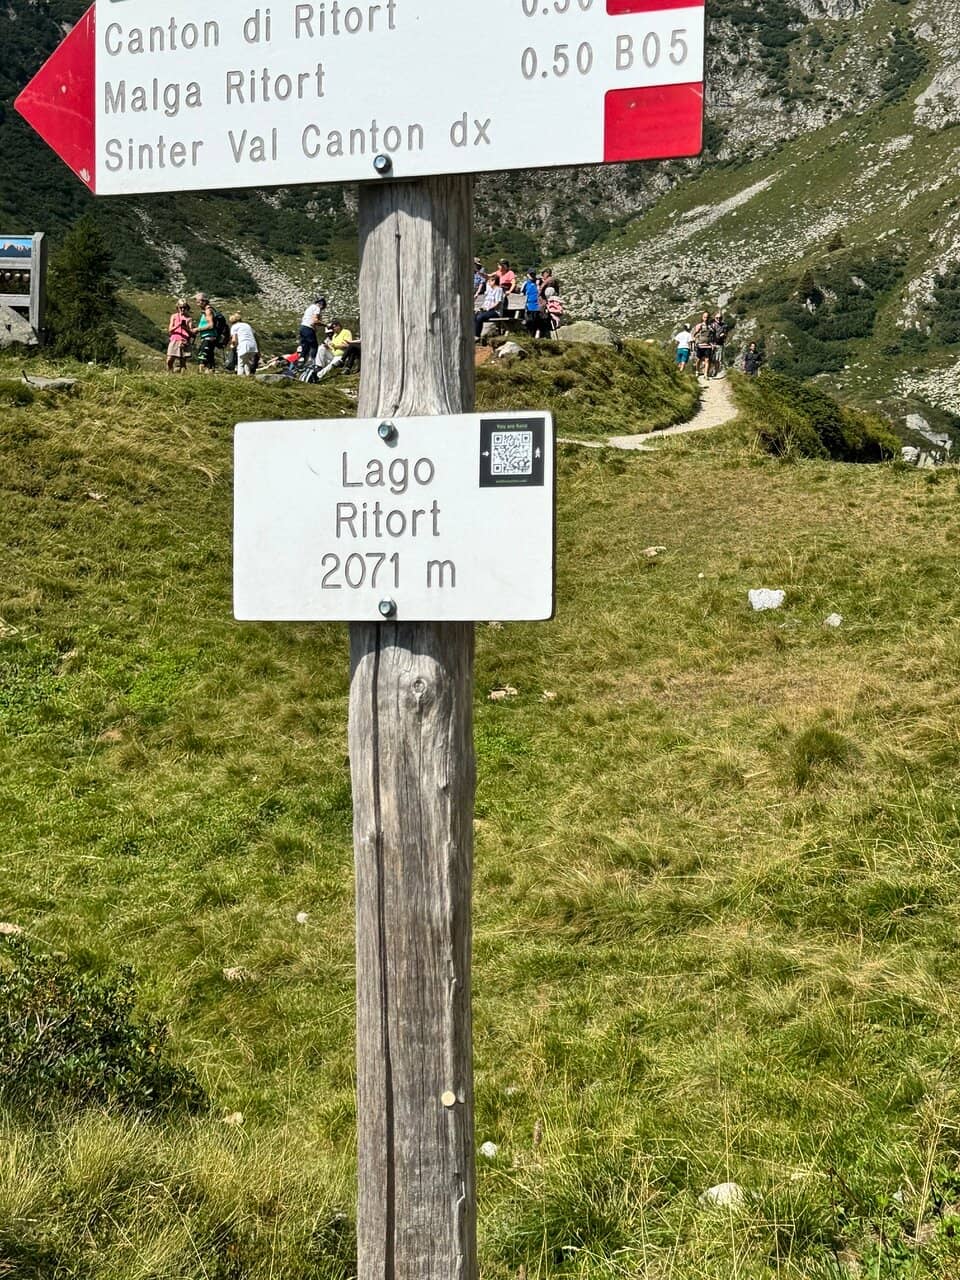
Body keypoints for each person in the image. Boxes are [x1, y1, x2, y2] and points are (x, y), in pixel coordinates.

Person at [474, 273, 505, 341]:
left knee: (480, 317)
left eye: (490, 281)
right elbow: (486, 302)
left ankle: (477, 336)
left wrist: (488, 308)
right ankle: (473, 334)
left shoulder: (499, 290)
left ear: (494, 281)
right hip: (487, 310)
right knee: (474, 316)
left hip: (495, 312)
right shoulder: (489, 290)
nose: (488, 282)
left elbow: (498, 303)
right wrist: (482, 307)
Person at [194, 293, 218, 373]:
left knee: (202, 357)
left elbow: (211, 325)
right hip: (210, 337)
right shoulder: (208, 310)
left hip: (208, 338)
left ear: (204, 301)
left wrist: (198, 329)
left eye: (198, 301)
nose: (197, 303)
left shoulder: (208, 311)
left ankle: (202, 373)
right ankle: (210, 372)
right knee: (209, 358)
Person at [166, 299, 193, 373]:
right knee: (169, 359)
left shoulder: (189, 318)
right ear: (178, 308)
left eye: (184, 307)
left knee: (182, 360)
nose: (182, 309)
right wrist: (178, 325)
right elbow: (170, 329)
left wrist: (185, 328)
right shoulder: (174, 316)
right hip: (174, 339)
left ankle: (182, 375)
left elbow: (191, 332)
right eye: (181, 307)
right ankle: (169, 372)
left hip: (184, 340)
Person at [522, 268, 548, 339]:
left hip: (538, 305)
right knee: (530, 322)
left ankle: (538, 335)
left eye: (533, 274)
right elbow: (522, 294)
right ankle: (531, 336)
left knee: (538, 321)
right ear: (527, 275)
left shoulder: (539, 282)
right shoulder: (526, 283)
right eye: (531, 274)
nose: (532, 276)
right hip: (529, 306)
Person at [299, 297, 326, 363]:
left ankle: (301, 360)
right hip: (308, 328)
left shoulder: (309, 307)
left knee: (305, 345)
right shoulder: (317, 308)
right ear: (321, 304)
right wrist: (325, 325)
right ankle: (312, 360)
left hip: (302, 327)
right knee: (314, 345)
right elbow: (315, 320)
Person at [692, 311, 713, 379]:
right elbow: (694, 334)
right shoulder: (699, 325)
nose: (706, 318)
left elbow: (712, 335)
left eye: (707, 317)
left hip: (708, 345)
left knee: (707, 360)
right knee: (698, 360)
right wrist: (694, 341)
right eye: (704, 317)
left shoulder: (710, 326)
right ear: (702, 317)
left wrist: (713, 343)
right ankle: (697, 371)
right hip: (700, 345)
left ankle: (705, 374)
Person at [709, 311, 729, 377]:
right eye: (717, 318)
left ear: (722, 318)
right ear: (715, 318)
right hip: (711, 344)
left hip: (719, 344)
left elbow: (726, 334)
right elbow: (710, 334)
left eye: (720, 318)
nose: (718, 319)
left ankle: (715, 372)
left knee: (718, 359)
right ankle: (709, 371)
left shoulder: (724, 326)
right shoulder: (712, 325)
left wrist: (723, 335)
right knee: (710, 358)